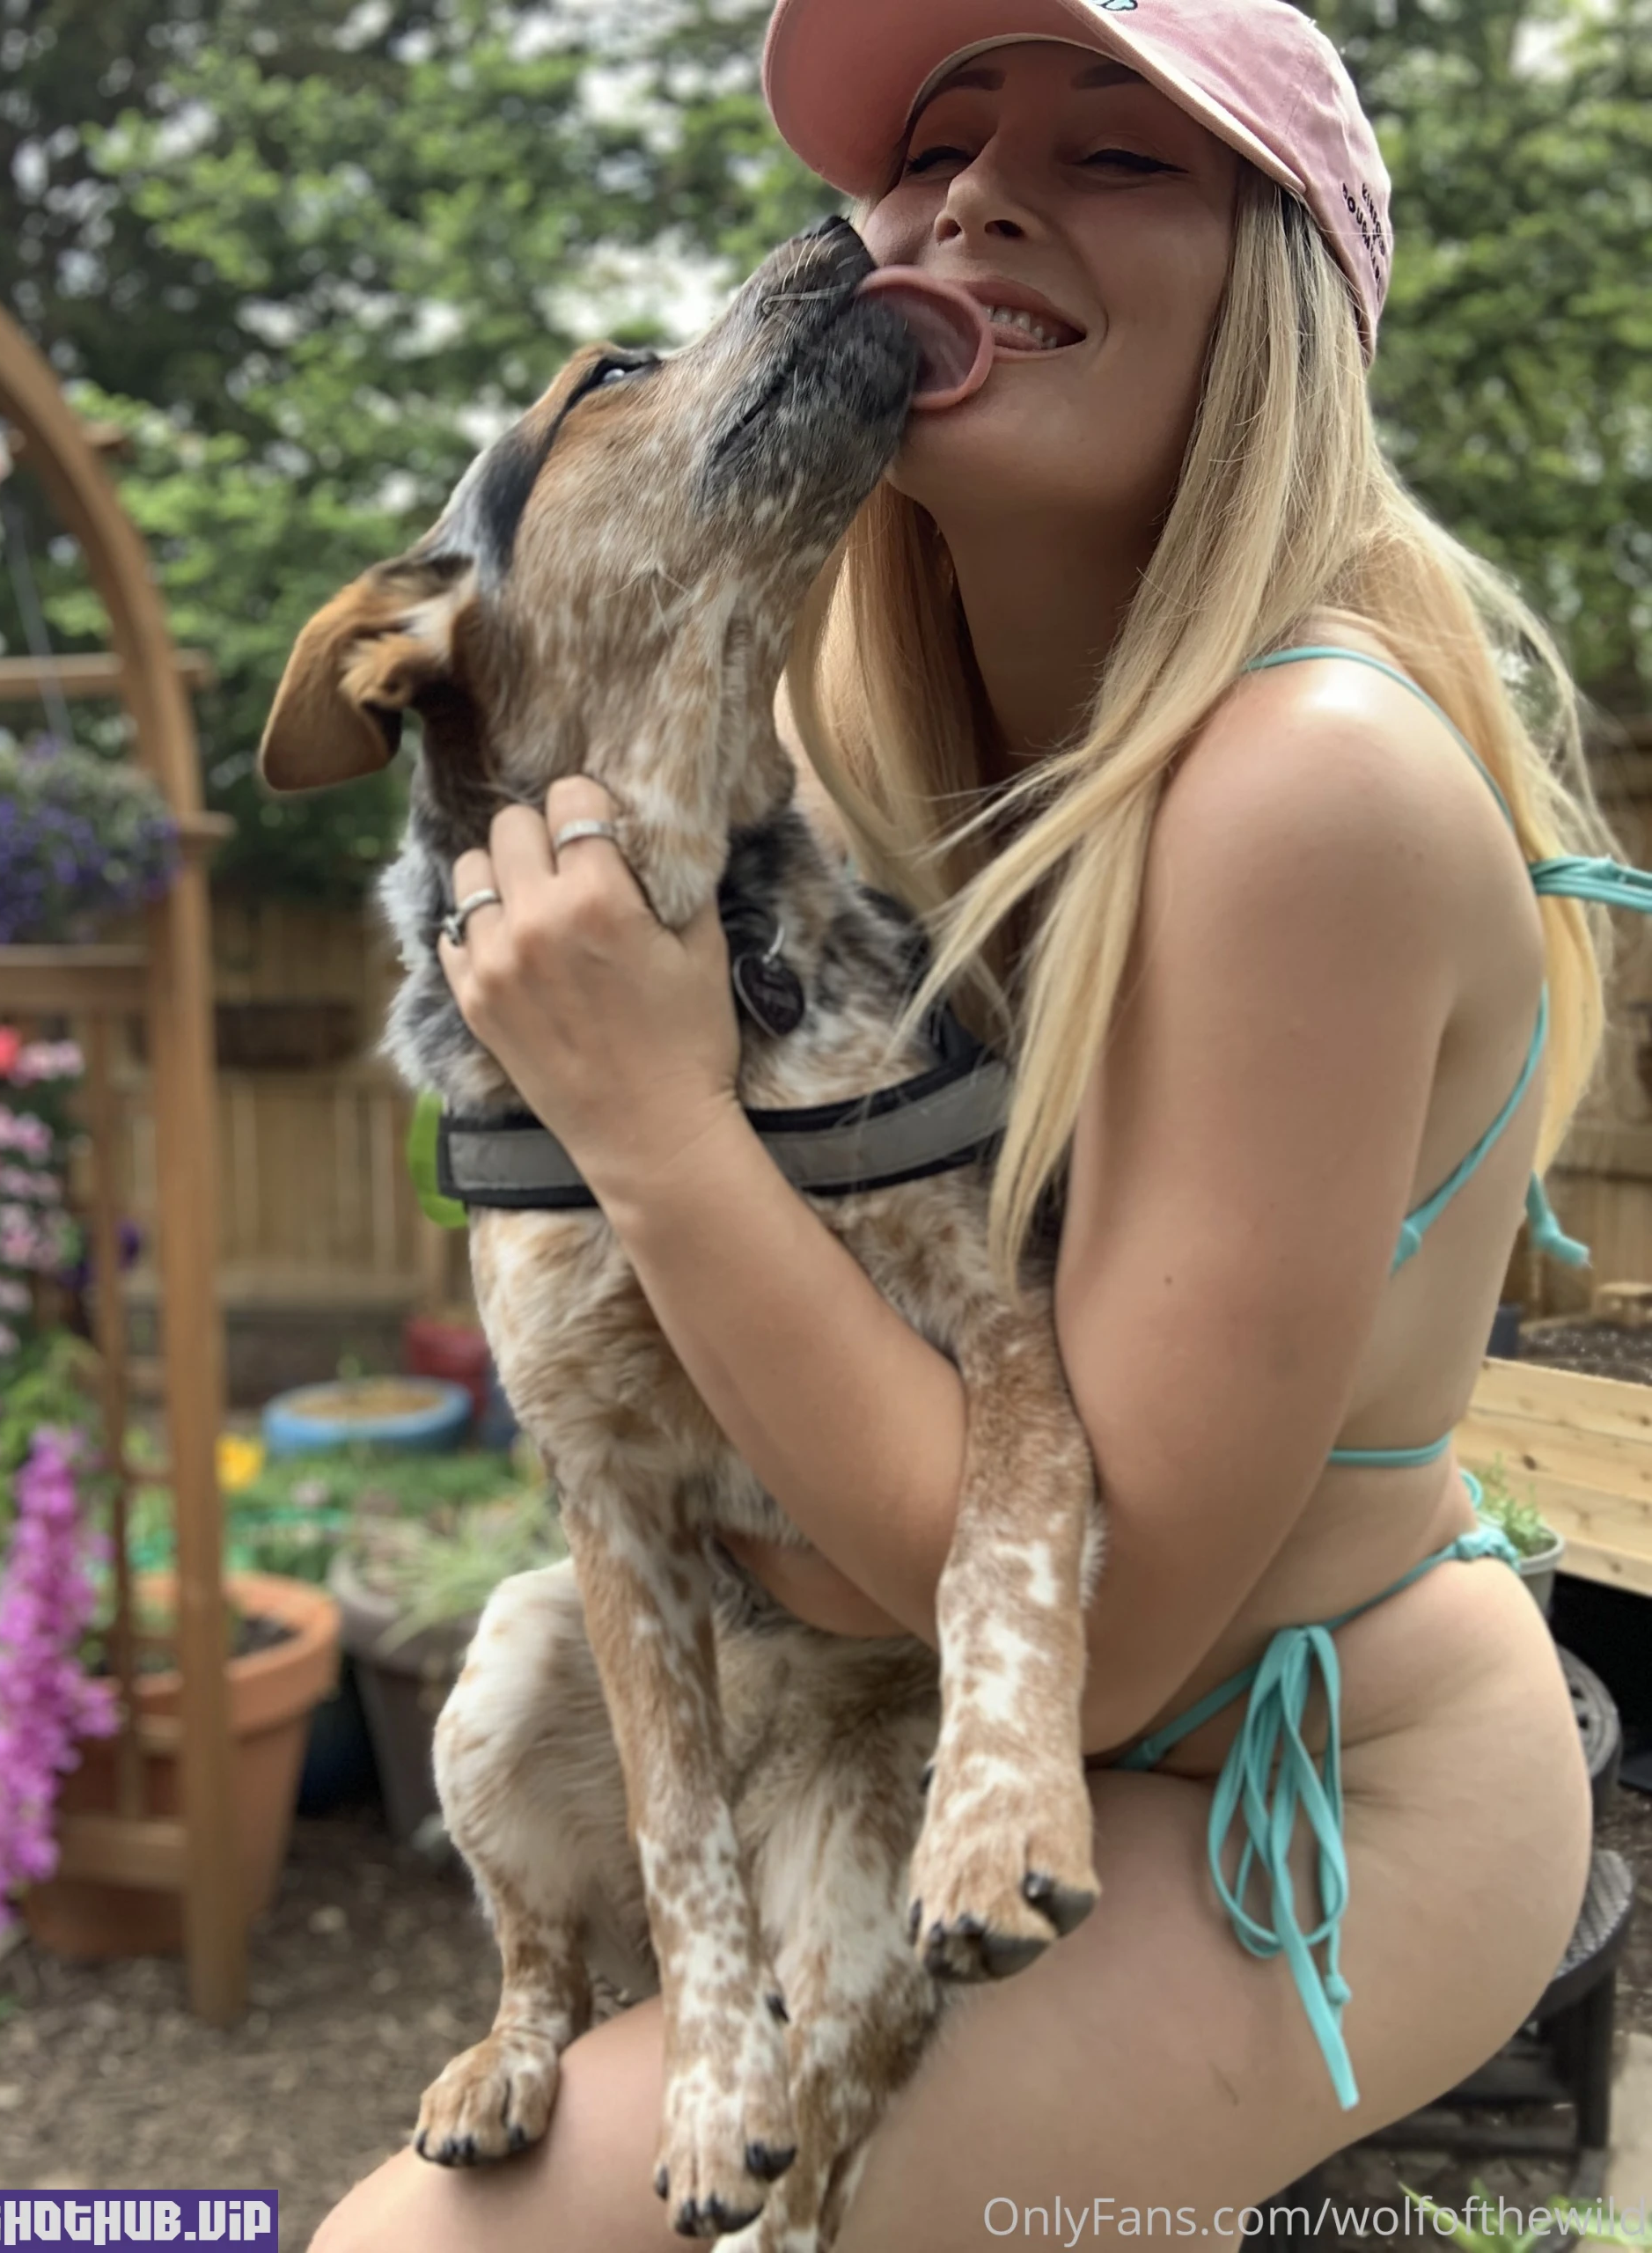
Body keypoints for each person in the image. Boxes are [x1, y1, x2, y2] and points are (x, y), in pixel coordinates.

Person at [313, 1, 1616, 2243]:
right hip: (912, 1743)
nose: (983, 193)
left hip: (1288, 1785)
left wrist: (654, 1131)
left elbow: (1106, 1639)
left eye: (1122, 154)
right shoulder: (868, 764)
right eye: (936, 147)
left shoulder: (1306, 781)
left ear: (1283, 305)